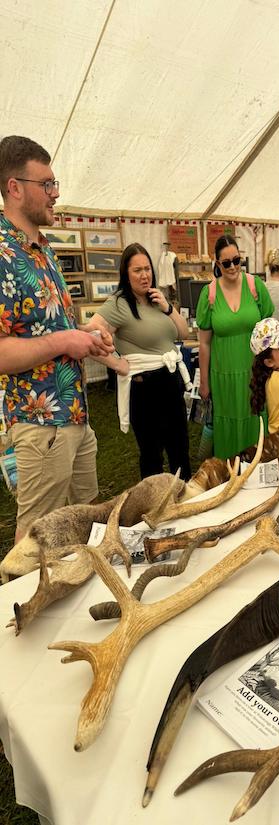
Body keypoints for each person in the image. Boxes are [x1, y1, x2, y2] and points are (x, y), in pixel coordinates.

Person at [0, 135, 117, 541]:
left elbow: (49, 329)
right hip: (40, 424)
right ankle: (27, 605)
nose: (55, 194)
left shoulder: (43, 248)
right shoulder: (2, 254)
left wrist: (86, 334)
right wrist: (66, 342)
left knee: (85, 527)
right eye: (46, 184)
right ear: (14, 188)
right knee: (37, 539)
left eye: (55, 183)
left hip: (76, 418)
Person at [87, 243, 192, 480]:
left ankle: (185, 502)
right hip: (145, 388)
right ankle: (153, 507)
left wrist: (167, 308)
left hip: (170, 381)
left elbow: (183, 333)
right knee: (152, 455)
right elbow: (90, 339)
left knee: (180, 450)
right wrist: (116, 364)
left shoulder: (156, 299)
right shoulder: (119, 303)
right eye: (137, 270)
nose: (144, 275)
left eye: (147, 269)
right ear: (126, 273)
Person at [196, 234, 274, 459]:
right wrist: (204, 383)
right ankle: (229, 473)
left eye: (237, 260)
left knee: (255, 418)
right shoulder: (209, 294)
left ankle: (257, 468)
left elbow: (269, 329)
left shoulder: (255, 286)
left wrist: (273, 366)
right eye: (227, 263)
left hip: (254, 372)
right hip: (224, 375)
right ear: (218, 264)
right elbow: (204, 343)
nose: (233, 267)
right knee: (227, 423)